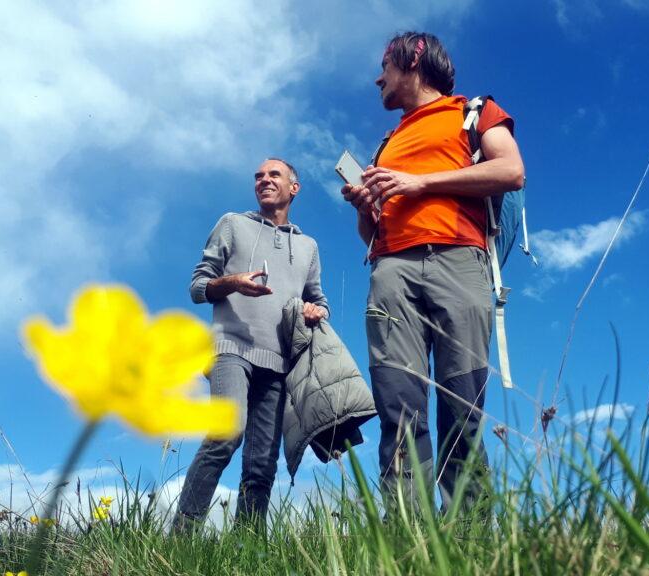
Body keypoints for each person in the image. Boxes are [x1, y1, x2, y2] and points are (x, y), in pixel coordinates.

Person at [341, 32, 525, 511]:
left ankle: (470, 533)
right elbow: (372, 235)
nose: (378, 77)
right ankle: (407, 537)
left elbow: (511, 170)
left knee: (461, 408)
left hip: (459, 261)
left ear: (415, 59)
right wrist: (367, 207)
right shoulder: (388, 141)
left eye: (385, 64)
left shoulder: (474, 111)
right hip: (391, 270)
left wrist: (419, 182)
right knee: (398, 407)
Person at [175, 158, 328, 529]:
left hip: (279, 361)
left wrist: (314, 311)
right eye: (258, 176)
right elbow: (197, 286)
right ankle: (180, 536)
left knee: (262, 463)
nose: (263, 180)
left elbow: (319, 301)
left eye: (273, 174)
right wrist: (232, 282)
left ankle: (248, 547)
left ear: (294, 188)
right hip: (231, 348)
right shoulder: (232, 224)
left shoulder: (307, 246)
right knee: (226, 435)